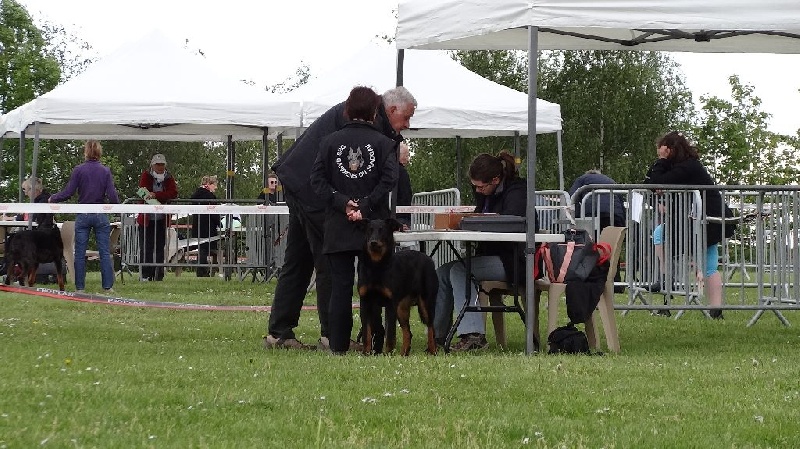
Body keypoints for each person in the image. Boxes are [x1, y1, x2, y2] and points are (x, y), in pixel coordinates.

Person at [265, 86, 417, 350]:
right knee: (330, 260)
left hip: (297, 180)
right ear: (391, 110)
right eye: (406, 118)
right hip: (312, 190)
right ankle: (332, 336)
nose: (406, 125)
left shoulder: (362, 112)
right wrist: (360, 207)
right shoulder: (368, 120)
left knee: (298, 259)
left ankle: (279, 332)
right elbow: (360, 174)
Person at [309, 86, 399, 354]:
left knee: (340, 287)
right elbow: (390, 179)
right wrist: (366, 204)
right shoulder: (384, 143)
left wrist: (343, 202)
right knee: (376, 285)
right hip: (375, 228)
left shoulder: (329, 142)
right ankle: (376, 343)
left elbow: (317, 180)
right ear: (375, 112)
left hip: (339, 224)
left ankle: (338, 346)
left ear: (347, 110)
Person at [434, 151, 529, 351]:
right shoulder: (486, 193)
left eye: (480, 187)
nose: (477, 190)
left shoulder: (518, 192)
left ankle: (473, 335)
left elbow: (510, 224)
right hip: (491, 255)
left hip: (514, 260)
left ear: (495, 180)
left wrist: (475, 222)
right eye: (474, 186)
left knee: (460, 270)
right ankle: (436, 336)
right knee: (442, 272)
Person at [643, 131, 730, 319]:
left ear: (669, 149)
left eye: (661, 150)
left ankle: (668, 280)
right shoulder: (681, 166)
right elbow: (649, 182)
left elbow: (659, 182)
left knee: (706, 261)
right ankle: (668, 281)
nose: (659, 153)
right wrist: (661, 166)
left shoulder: (688, 166)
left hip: (705, 219)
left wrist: (661, 162)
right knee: (661, 235)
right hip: (697, 218)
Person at [48, 140, 120, 292]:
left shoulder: (78, 170)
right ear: (99, 152)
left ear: (85, 152)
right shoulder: (105, 171)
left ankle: (80, 287)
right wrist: (117, 208)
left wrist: (53, 198)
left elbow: (68, 192)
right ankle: (107, 287)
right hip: (100, 214)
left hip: (83, 214)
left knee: (79, 253)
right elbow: (113, 196)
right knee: (104, 252)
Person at [568, 169, 626, 292]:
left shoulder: (582, 179)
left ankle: (593, 278)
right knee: (613, 248)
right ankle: (616, 282)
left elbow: (572, 197)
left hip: (593, 213)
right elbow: (621, 202)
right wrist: (622, 222)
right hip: (615, 214)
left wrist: (576, 219)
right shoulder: (611, 181)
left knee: (592, 247)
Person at [136, 153, 178, 281]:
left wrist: (156, 195)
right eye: (157, 165)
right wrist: (159, 195)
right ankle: (145, 275)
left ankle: (158, 275)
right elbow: (143, 192)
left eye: (162, 165)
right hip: (146, 220)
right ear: (152, 165)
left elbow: (173, 193)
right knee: (146, 248)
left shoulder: (169, 178)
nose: (160, 167)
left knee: (160, 248)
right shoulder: (146, 176)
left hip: (161, 220)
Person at [190, 175, 221, 277]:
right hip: (208, 226)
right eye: (215, 185)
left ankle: (201, 270)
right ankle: (202, 271)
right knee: (205, 249)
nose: (216, 187)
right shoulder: (210, 196)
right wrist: (219, 223)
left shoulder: (196, 195)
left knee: (201, 249)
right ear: (209, 184)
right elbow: (214, 212)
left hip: (198, 225)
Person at [395, 141, 413, 230]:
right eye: (406, 156)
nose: (408, 159)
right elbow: (405, 195)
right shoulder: (401, 172)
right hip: (402, 216)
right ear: (399, 155)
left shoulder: (387, 170)